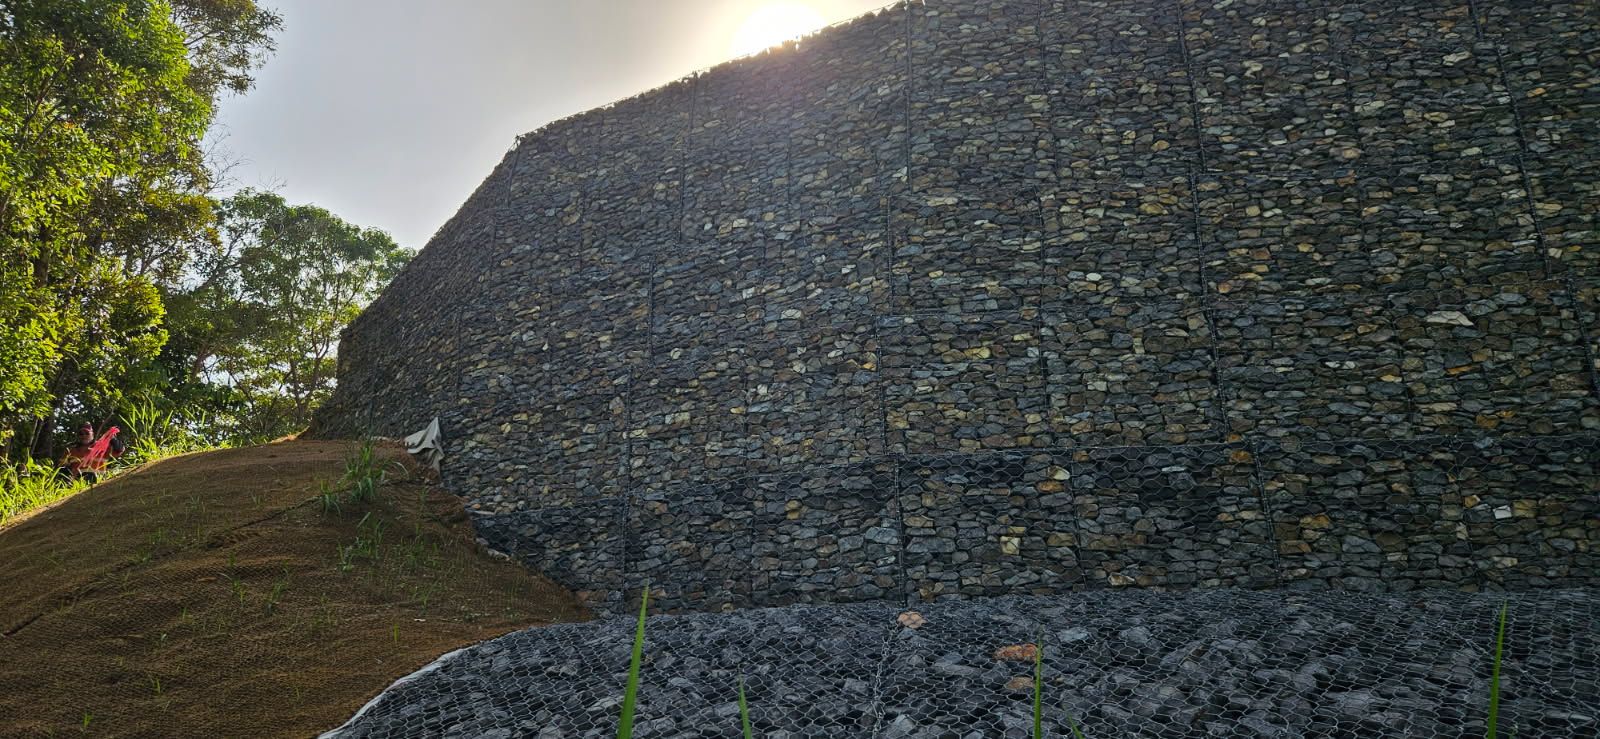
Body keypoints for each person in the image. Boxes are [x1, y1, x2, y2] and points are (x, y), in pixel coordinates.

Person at [58, 424, 125, 484]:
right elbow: (61, 467)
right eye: (81, 434)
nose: (84, 436)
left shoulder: (101, 447)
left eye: (87, 433)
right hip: (78, 484)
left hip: (99, 482)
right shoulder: (71, 451)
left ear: (92, 434)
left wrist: (114, 440)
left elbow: (118, 451)